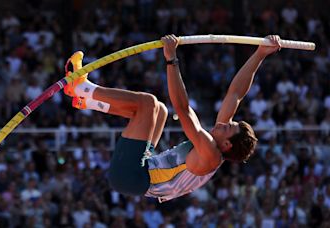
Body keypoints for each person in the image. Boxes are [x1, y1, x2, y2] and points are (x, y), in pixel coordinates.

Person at [62, 34, 281, 202]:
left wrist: (171, 59)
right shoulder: (218, 141)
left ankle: (82, 88)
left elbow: (183, 108)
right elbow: (235, 94)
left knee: (147, 104)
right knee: (159, 111)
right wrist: (260, 53)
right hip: (143, 167)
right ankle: (86, 100)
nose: (223, 123)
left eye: (227, 127)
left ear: (226, 144)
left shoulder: (210, 155)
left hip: (132, 177)